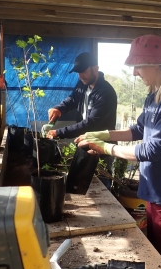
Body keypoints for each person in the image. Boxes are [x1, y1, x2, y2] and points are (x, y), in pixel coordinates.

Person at [74, 35, 161, 269]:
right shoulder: (155, 95)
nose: (135, 74)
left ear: (155, 65)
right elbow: (137, 130)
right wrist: (103, 134)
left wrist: (107, 148)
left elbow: (154, 150)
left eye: (138, 67)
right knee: (156, 245)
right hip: (154, 187)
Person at [44, 52, 117, 189]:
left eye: (83, 71)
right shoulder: (83, 84)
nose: (80, 76)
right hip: (85, 142)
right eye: (78, 72)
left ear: (95, 68)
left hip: (102, 147)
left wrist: (58, 132)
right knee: (84, 182)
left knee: (101, 182)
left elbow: (90, 123)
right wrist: (59, 108)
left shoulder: (106, 93)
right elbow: (72, 99)